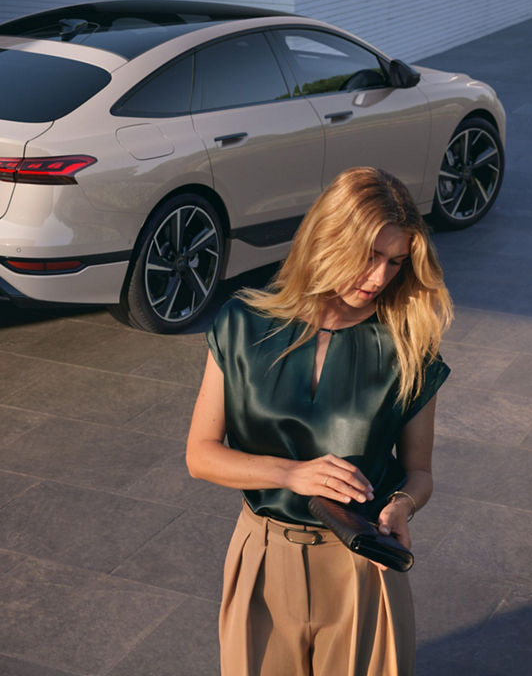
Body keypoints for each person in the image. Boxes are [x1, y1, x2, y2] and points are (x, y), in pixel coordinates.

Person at [186, 167, 452, 676]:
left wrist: (401, 506)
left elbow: (419, 473)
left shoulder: (407, 346)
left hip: (361, 564)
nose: (379, 278)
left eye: (395, 263)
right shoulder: (242, 325)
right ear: (328, 239)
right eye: (370, 256)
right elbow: (200, 454)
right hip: (261, 556)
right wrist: (289, 473)